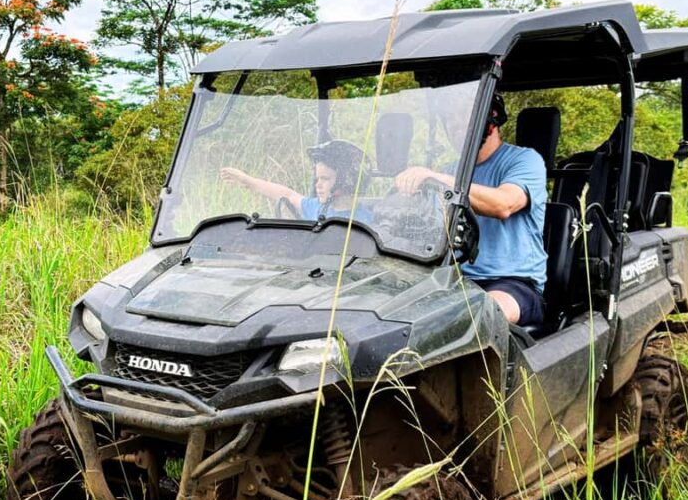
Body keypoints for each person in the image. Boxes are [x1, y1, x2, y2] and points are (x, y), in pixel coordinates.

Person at [395, 93, 547, 326]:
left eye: (463, 115)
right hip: (452, 279)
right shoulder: (449, 171)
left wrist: (435, 177)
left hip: (512, 284)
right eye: (449, 118)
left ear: (492, 116)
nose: (454, 124)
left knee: (479, 315)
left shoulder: (525, 160)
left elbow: (503, 204)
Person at [221, 139, 372, 223]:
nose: (317, 184)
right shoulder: (317, 208)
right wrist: (247, 181)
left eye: (325, 179)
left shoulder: (364, 222)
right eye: (317, 178)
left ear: (347, 181)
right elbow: (287, 194)